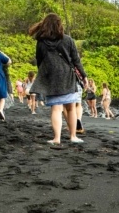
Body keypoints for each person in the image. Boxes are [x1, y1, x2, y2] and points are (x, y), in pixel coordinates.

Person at [28, 13, 86, 145]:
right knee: (71, 107)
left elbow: (39, 60)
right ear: (59, 25)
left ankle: (57, 138)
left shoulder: (41, 42)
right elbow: (76, 60)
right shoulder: (68, 39)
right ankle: (73, 136)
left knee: (56, 108)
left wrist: (44, 73)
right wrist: (84, 76)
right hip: (67, 75)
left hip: (51, 76)